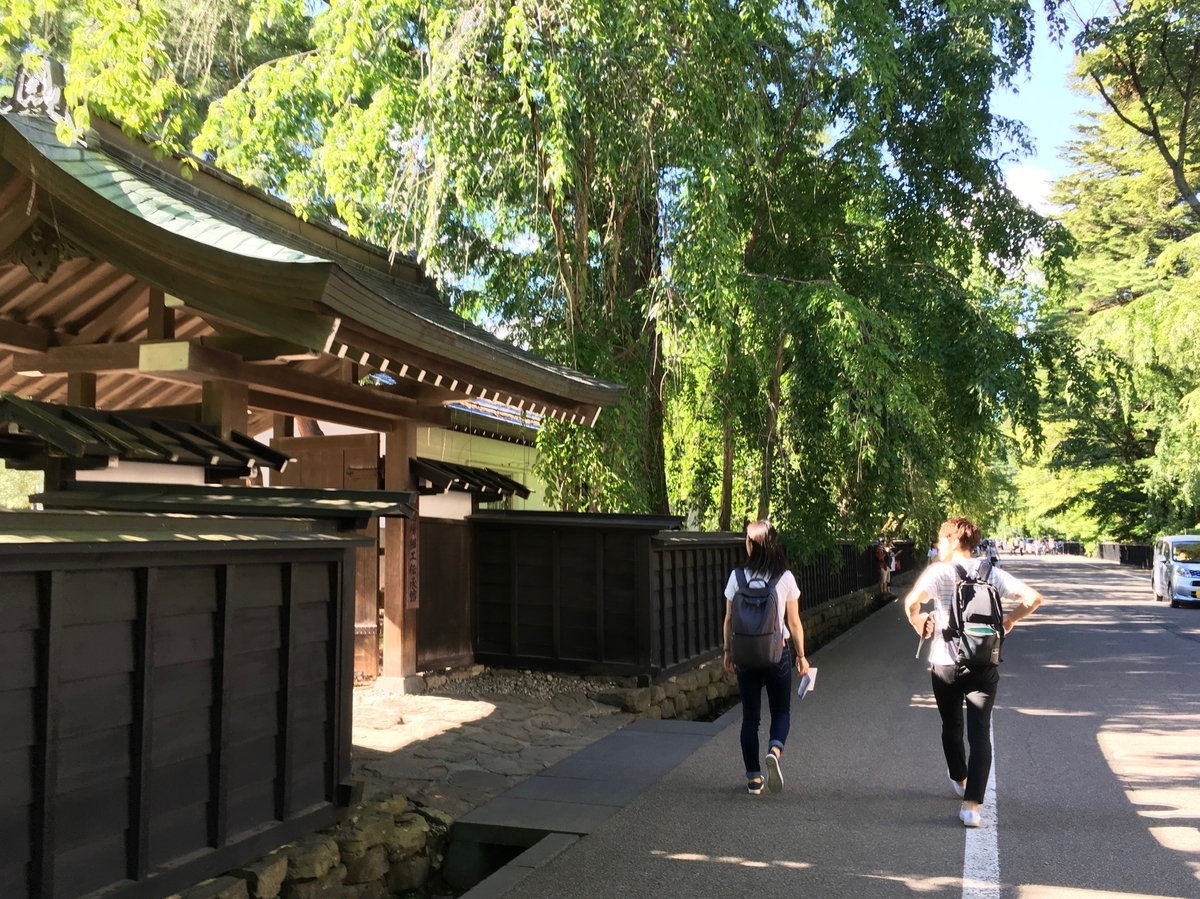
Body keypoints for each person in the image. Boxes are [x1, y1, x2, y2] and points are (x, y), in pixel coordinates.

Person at [902, 516, 1044, 828]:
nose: (938, 546)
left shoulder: (939, 572)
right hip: (984, 662)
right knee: (979, 732)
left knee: (951, 725)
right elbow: (1034, 599)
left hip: (945, 662)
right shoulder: (992, 572)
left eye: (941, 540)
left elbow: (912, 603)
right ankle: (971, 808)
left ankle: (960, 778)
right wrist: (1009, 621)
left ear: (953, 541)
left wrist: (918, 623)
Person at [723, 520, 809, 795]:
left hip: (746, 656)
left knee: (750, 718)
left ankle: (753, 779)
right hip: (777, 653)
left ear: (750, 545)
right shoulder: (784, 577)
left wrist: (728, 652)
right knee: (781, 712)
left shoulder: (736, 577)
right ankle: (774, 749)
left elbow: (727, 619)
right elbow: (794, 623)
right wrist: (802, 656)